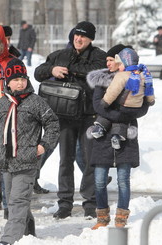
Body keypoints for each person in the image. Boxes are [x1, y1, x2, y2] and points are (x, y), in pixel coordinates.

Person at [35, 21, 107, 219]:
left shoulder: (98, 56)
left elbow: (96, 73)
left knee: (90, 159)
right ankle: (65, 203)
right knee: (65, 160)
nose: (78, 38)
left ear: (91, 39)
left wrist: (69, 69)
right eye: (76, 35)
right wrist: (52, 71)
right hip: (65, 117)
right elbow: (38, 72)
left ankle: (90, 203)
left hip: (89, 116)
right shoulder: (61, 55)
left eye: (83, 36)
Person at [0, 58, 60, 245]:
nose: (20, 82)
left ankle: (9, 240)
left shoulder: (35, 102)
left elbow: (52, 124)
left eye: (23, 78)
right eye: (16, 79)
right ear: (8, 82)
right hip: (6, 162)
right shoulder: (2, 104)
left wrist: (43, 146)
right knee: (14, 200)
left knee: (17, 202)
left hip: (27, 161)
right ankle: (29, 233)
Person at [87, 44, 151, 230]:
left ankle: (121, 218)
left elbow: (145, 107)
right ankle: (102, 217)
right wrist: (121, 116)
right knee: (99, 179)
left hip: (126, 135)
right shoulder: (102, 79)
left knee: (123, 179)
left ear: (120, 60)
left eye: (111, 60)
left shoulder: (137, 78)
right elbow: (98, 105)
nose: (108, 64)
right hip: (103, 134)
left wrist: (123, 116)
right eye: (106, 60)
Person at [89, 47, 155, 149]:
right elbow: (149, 90)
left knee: (110, 116)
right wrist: (151, 101)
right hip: (136, 107)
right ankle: (117, 136)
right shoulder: (144, 74)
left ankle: (100, 128)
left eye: (118, 63)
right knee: (122, 120)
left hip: (123, 106)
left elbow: (113, 91)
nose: (108, 64)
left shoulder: (121, 76)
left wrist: (105, 102)